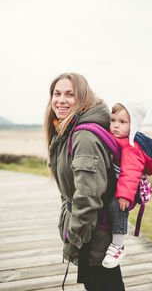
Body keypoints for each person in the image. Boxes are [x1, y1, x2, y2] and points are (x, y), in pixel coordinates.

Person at [44, 73, 125, 291]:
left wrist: (75, 240)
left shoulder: (84, 137)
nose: (61, 100)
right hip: (90, 232)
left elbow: (88, 197)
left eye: (70, 94)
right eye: (57, 93)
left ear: (82, 98)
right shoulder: (66, 129)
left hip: (93, 236)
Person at [102, 100, 152, 269]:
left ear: (133, 125)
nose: (115, 125)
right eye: (113, 120)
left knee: (117, 206)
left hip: (130, 187)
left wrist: (125, 195)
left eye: (122, 122)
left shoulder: (131, 146)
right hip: (118, 182)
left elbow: (131, 171)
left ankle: (118, 246)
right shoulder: (112, 136)